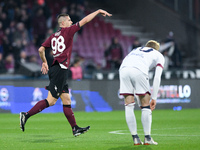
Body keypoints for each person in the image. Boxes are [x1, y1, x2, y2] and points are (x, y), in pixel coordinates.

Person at [20, 9, 112, 137]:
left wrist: (44, 62)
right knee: (51, 101)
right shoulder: (68, 31)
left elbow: (41, 49)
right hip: (60, 70)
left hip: (56, 68)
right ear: (63, 23)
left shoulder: (53, 36)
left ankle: (75, 128)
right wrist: (97, 12)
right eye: (69, 20)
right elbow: (84, 20)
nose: (71, 22)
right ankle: (26, 115)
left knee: (66, 99)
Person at [119, 40, 164, 145]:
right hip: (139, 70)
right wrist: (154, 98)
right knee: (145, 106)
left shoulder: (137, 49)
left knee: (128, 105)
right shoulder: (158, 55)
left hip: (123, 69)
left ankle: (135, 137)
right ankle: (147, 138)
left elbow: (131, 69)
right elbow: (157, 77)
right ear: (156, 49)